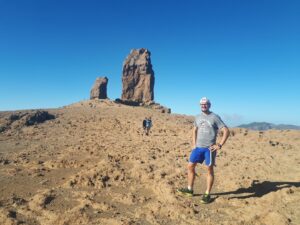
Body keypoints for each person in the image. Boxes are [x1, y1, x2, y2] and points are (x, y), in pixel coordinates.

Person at [177, 97, 229, 204]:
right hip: (198, 148)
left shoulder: (215, 117)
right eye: (201, 104)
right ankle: (189, 190)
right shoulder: (197, 117)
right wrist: (193, 144)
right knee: (190, 166)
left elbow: (226, 131)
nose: (203, 106)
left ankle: (207, 194)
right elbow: (195, 130)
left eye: (205, 104)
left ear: (209, 105)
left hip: (209, 149)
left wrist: (219, 145)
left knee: (209, 170)